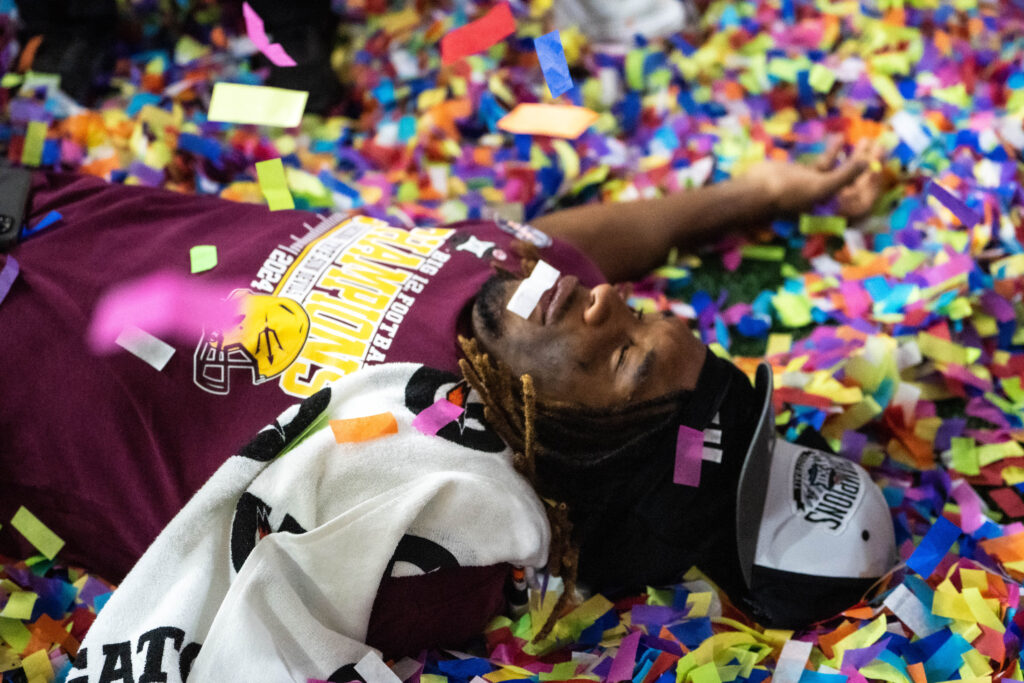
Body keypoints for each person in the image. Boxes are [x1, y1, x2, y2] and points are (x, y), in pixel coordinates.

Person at [0, 138, 886, 657]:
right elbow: (586, 244)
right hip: (37, 195)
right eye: (645, 318)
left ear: (574, 454)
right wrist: (761, 191)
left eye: (624, 359)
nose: (610, 304)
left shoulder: (419, 532)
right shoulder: (526, 299)